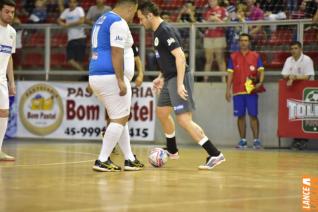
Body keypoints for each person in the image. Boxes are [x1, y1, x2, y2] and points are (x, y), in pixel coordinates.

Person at [137, 1, 225, 170]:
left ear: (149, 15)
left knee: (184, 120)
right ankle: (172, 149)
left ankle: (215, 154)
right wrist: (161, 76)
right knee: (162, 112)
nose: (140, 22)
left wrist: (179, 84)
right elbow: (168, 59)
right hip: (169, 78)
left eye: (141, 19)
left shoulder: (164, 31)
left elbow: (180, 57)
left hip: (179, 78)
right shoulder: (157, 32)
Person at [89, 0, 144, 172]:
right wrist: (120, 79)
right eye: (133, 12)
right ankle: (102, 159)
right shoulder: (118, 22)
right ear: (129, 8)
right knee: (120, 119)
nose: (132, 17)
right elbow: (116, 51)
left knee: (120, 118)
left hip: (97, 74)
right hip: (111, 76)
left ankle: (129, 158)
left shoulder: (102, 19)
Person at [225, 33, 265, 149]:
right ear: (239, 42)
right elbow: (230, 75)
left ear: (249, 42)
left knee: (253, 115)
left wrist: (260, 82)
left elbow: (261, 71)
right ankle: (242, 140)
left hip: (251, 91)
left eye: (246, 40)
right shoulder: (233, 57)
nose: (243, 42)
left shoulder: (256, 56)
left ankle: (256, 141)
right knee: (240, 116)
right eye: (241, 40)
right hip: (237, 92)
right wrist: (228, 90)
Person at [281, 41, 315, 150]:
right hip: (294, 91)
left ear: (301, 49)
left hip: (307, 92)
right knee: (295, 115)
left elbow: (307, 76)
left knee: (305, 116)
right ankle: (297, 139)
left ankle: (303, 140)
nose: (293, 51)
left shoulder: (307, 60)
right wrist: (290, 77)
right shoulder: (288, 60)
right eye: (291, 49)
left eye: (295, 48)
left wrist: (294, 77)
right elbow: (284, 74)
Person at [0, 0, 16, 161]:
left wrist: (11, 81)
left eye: (12, 12)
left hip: (2, 80)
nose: (10, 15)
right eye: (6, 11)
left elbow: (9, 57)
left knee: (4, 112)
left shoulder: (12, 32)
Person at [57, 0, 86, 71]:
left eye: (74, 2)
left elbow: (82, 20)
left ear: (76, 3)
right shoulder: (66, 11)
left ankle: (83, 76)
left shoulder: (79, 9)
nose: (72, 4)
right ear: (68, 3)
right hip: (71, 39)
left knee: (80, 61)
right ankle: (85, 74)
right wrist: (61, 23)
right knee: (70, 60)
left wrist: (68, 25)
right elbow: (58, 20)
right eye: (70, 2)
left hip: (80, 38)